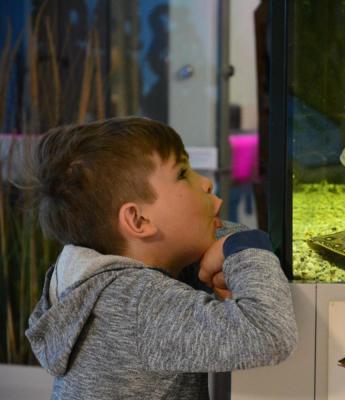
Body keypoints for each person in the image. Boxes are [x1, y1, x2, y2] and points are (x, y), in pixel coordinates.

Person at [25, 116, 298, 399]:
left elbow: (212, 240)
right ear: (139, 219)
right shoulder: (138, 304)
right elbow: (269, 333)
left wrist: (227, 245)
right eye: (182, 174)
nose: (205, 183)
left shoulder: (98, 284)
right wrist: (245, 247)